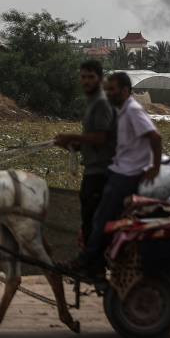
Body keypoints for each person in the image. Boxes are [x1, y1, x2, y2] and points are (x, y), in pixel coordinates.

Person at [64, 71, 161, 276]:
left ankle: (88, 260)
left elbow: (155, 137)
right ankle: (99, 259)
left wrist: (155, 168)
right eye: (106, 89)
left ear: (125, 91)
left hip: (127, 174)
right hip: (118, 169)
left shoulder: (133, 110)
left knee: (101, 219)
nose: (108, 93)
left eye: (112, 90)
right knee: (96, 213)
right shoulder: (122, 111)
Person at [53, 59, 116, 246]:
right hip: (92, 169)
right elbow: (92, 139)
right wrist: (72, 145)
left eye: (91, 77)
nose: (86, 81)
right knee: (88, 219)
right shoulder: (92, 102)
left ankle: (92, 260)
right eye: (83, 77)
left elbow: (101, 138)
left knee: (92, 221)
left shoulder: (101, 103)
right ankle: (90, 257)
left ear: (100, 79)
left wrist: (71, 136)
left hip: (101, 171)